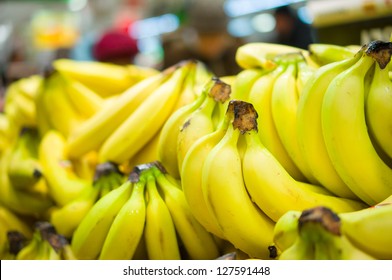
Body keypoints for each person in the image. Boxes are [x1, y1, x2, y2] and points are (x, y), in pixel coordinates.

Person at [161, 0, 243, 77]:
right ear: (193, 35)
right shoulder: (175, 55)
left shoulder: (236, 51)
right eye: (205, 38)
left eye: (216, 37)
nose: (212, 45)